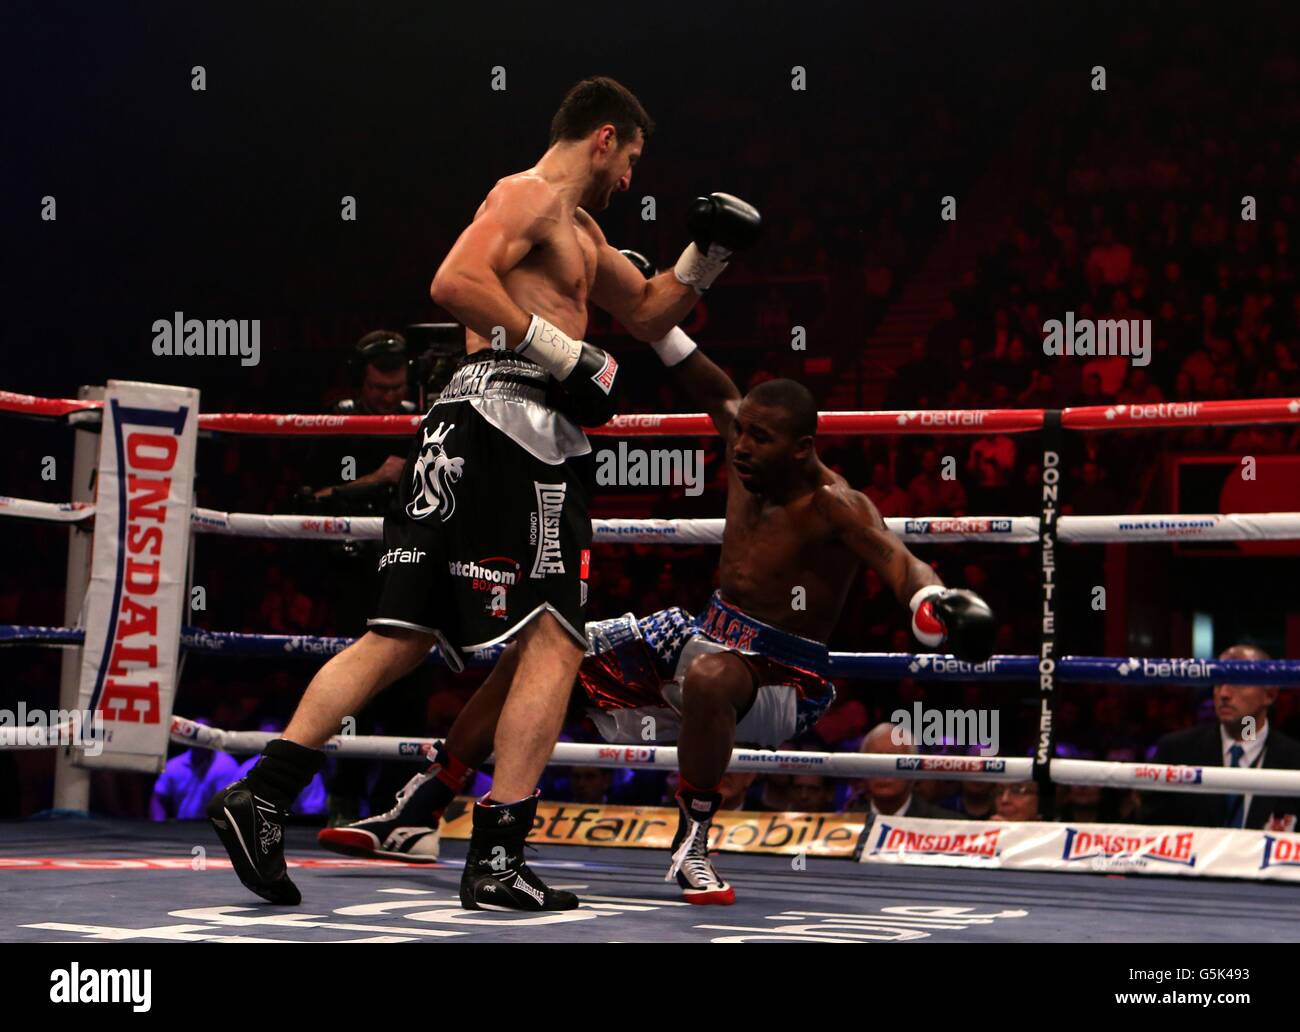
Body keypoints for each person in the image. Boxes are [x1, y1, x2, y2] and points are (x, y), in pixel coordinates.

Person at [208, 75, 760, 910]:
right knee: (555, 637)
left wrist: (708, 253)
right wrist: (564, 354)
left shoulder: (578, 230)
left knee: (395, 634)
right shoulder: (528, 196)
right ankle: (499, 857)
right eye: (633, 158)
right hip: (514, 428)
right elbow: (455, 281)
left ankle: (263, 795)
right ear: (603, 137)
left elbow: (648, 312)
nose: (632, 180)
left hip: (467, 423)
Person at [323, 306, 995, 906]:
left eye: (760, 441)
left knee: (709, 678)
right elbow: (707, 382)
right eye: (741, 434)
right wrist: (647, 311)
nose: (741, 449)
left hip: (783, 674)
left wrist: (934, 600)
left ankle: (693, 843)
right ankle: (421, 808)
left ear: (803, 449)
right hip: (704, 634)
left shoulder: (833, 505)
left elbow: (899, 560)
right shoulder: (745, 448)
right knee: (542, 653)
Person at [1140, 644, 1300, 830]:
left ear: (1270, 694)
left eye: (1237, 682)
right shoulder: (1176, 751)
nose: (1224, 694)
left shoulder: (1295, 760)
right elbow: (1152, 832)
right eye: (1219, 682)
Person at [845, 723, 962, 819]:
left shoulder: (948, 826)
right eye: (877, 760)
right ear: (863, 770)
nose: (885, 769)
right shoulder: (845, 824)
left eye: (894, 760)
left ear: (914, 772)